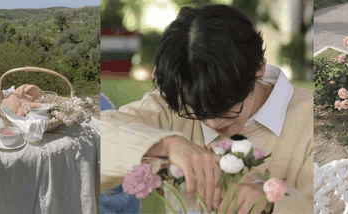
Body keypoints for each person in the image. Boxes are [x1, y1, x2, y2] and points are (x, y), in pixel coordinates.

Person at [99, 4, 313, 214]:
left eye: (228, 109)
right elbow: (94, 141)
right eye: (198, 113)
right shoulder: (174, 105)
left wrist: (275, 202)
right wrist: (166, 145)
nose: (214, 124)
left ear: (259, 67)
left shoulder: (311, 118)